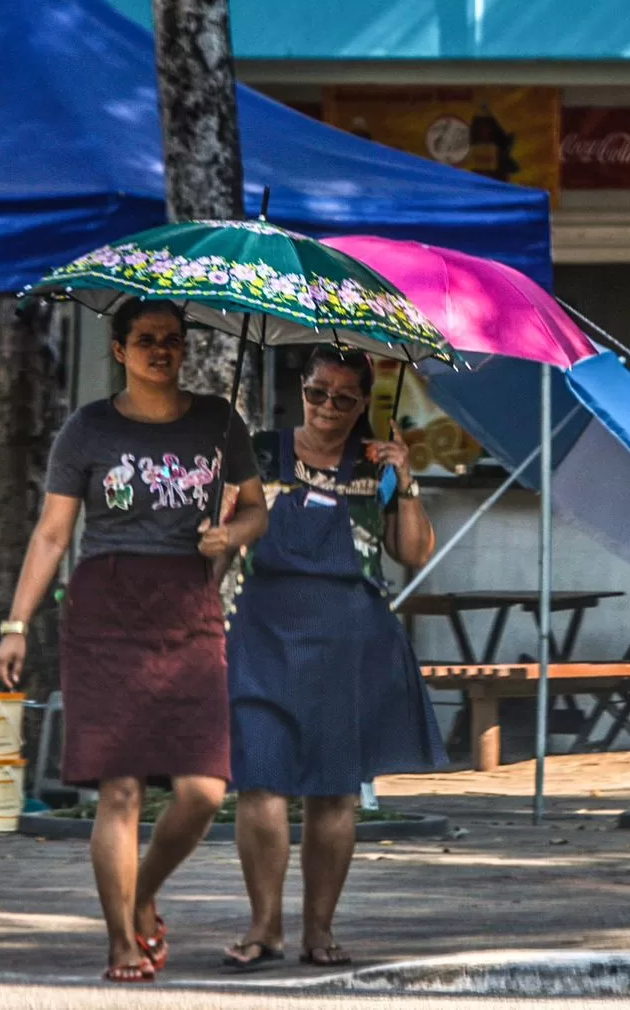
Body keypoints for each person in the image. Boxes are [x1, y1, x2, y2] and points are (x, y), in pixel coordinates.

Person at [0, 299, 268, 982]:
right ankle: (120, 939)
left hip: (189, 605)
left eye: (172, 340)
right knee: (120, 790)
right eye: (145, 340)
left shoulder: (219, 422)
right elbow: (53, 534)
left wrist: (229, 535)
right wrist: (16, 625)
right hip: (106, 609)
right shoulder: (87, 430)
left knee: (203, 789)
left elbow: (257, 508)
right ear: (118, 350)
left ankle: (141, 893)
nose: (161, 351)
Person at [223, 345, 446, 972]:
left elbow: (413, 553)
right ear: (303, 387)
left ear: (363, 405)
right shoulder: (257, 451)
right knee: (260, 778)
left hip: (349, 638)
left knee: (333, 791)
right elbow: (218, 539)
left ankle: (318, 932)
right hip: (262, 629)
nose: (328, 408)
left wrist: (405, 479)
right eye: (318, 392)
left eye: (344, 399)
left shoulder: (373, 463)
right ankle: (264, 927)